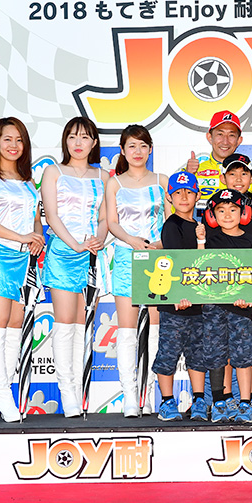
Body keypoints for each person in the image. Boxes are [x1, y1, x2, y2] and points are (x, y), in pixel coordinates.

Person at [0, 118, 46, 423]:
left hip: (24, 259)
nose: (13, 145)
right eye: (7, 139)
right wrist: (21, 237)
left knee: (17, 322)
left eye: (19, 140)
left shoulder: (29, 181)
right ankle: (0, 390)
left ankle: (4, 390)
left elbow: (36, 219)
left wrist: (37, 237)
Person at [40, 117, 111, 418]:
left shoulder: (103, 176)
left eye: (84, 137)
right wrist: (74, 244)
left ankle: (80, 390)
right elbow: (51, 216)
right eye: (72, 137)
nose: (78, 143)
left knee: (83, 325)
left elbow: (106, 217)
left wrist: (98, 239)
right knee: (65, 322)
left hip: (92, 254)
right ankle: (67, 391)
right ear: (65, 141)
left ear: (94, 142)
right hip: (63, 252)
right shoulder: (53, 172)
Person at [106, 124, 169, 417]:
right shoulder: (114, 183)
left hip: (158, 261)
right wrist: (131, 240)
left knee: (156, 331)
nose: (138, 151)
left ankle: (150, 393)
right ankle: (130, 396)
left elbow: (172, 221)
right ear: (122, 150)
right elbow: (112, 222)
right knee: (127, 331)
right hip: (125, 257)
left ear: (150, 149)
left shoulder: (162, 181)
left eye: (143, 145)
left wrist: (159, 244)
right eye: (132, 146)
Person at [217, 153, 252, 421]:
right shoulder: (214, 207)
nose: (238, 179)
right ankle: (227, 399)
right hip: (221, 293)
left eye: (243, 174)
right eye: (232, 174)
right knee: (224, 348)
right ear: (223, 177)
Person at [200, 189, 252, 423]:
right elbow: (198, 267)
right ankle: (220, 402)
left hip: (242, 311)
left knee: (243, 356)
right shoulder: (210, 240)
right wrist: (200, 241)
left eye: (233, 209)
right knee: (217, 356)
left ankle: (245, 402)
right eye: (221, 210)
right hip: (214, 309)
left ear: (243, 213)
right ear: (212, 215)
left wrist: (251, 296)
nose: (227, 215)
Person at [153, 171, 207, 422]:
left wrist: (202, 240)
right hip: (175, 305)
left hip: (199, 304)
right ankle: (166, 401)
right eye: (178, 193)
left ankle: (199, 400)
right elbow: (174, 261)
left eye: (189, 192)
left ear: (197, 195)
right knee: (168, 353)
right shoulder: (171, 225)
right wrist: (177, 294)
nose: (184, 197)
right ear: (169, 197)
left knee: (198, 354)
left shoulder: (200, 226)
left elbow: (203, 262)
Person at [185, 110, 252, 220]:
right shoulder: (191, 172)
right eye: (220, 134)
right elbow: (177, 213)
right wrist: (189, 178)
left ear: (239, 140)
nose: (225, 141)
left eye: (231, 135)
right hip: (201, 230)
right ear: (209, 137)